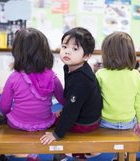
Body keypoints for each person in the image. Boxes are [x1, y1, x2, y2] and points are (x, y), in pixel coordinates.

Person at [0, 27, 65, 161]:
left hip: (17, 123)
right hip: (45, 123)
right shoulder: (53, 77)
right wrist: (61, 112)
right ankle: (60, 155)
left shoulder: (14, 77)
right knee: (62, 120)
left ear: (17, 52)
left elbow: (4, 106)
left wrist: (10, 115)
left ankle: (21, 154)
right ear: (45, 51)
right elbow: (64, 100)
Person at [40, 27, 103, 161]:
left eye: (75, 49)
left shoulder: (81, 79)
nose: (67, 51)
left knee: (46, 120)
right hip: (86, 114)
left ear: (86, 56)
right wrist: (63, 110)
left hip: (86, 123)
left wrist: (57, 134)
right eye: (64, 46)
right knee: (55, 115)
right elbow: (74, 99)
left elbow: (72, 110)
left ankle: (70, 153)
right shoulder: (71, 67)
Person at [95, 31, 140, 161]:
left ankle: (92, 153)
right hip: (127, 123)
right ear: (130, 53)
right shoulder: (136, 76)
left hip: (105, 122)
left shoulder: (100, 74)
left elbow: (94, 101)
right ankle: (121, 155)